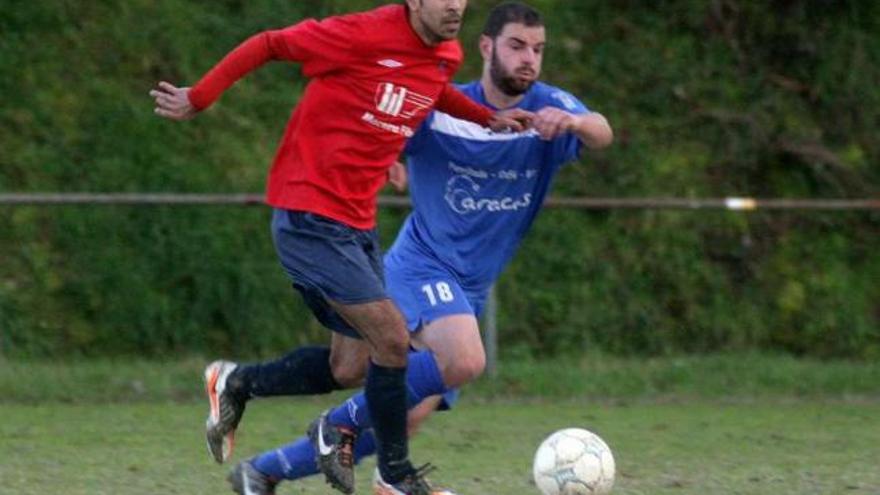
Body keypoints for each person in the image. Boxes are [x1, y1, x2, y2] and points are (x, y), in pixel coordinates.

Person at [205, 2, 614, 494]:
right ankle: (349, 441)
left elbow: (601, 131)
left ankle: (263, 469)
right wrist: (390, 161)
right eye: (517, 46)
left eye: (538, 49)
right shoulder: (439, 106)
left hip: (469, 286)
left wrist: (572, 123)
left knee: (385, 394)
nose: (529, 59)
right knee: (463, 360)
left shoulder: (546, 113)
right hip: (422, 264)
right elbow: (382, 119)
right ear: (486, 48)